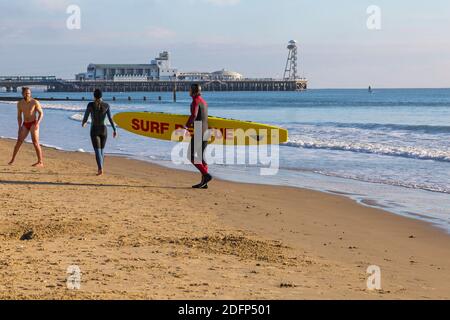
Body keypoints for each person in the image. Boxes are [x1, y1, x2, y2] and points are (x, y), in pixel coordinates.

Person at [82, 89, 117, 176]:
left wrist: (84, 122)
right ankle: (100, 168)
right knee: (102, 150)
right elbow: (110, 118)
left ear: (94, 96)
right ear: (102, 96)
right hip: (104, 130)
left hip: (94, 129)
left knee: (97, 150)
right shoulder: (106, 105)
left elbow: (86, 116)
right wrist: (114, 129)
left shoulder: (90, 105)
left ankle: (100, 169)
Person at [183, 84, 213, 189]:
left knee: (190, 155)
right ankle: (204, 183)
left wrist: (186, 126)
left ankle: (206, 175)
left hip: (200, 130)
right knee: (201, 156)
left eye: (190, 90)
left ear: (193, 91)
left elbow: (194, 115)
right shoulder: (204, 102)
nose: (188, 91)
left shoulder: (196, 101)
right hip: (207, 130)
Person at [8, 87, 44, 167]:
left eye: (29, 93)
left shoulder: (35, 102)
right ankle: (12, 159)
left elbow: (41, 113)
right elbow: (19, 116)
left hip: (33, 123)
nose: (28, 94)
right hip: (25, 124)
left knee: (35, 142)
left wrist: (38, 123)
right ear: (23, 94)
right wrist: (19, 127)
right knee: (19, 141)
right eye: (26, 93)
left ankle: (40, 162)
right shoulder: (20, 103)